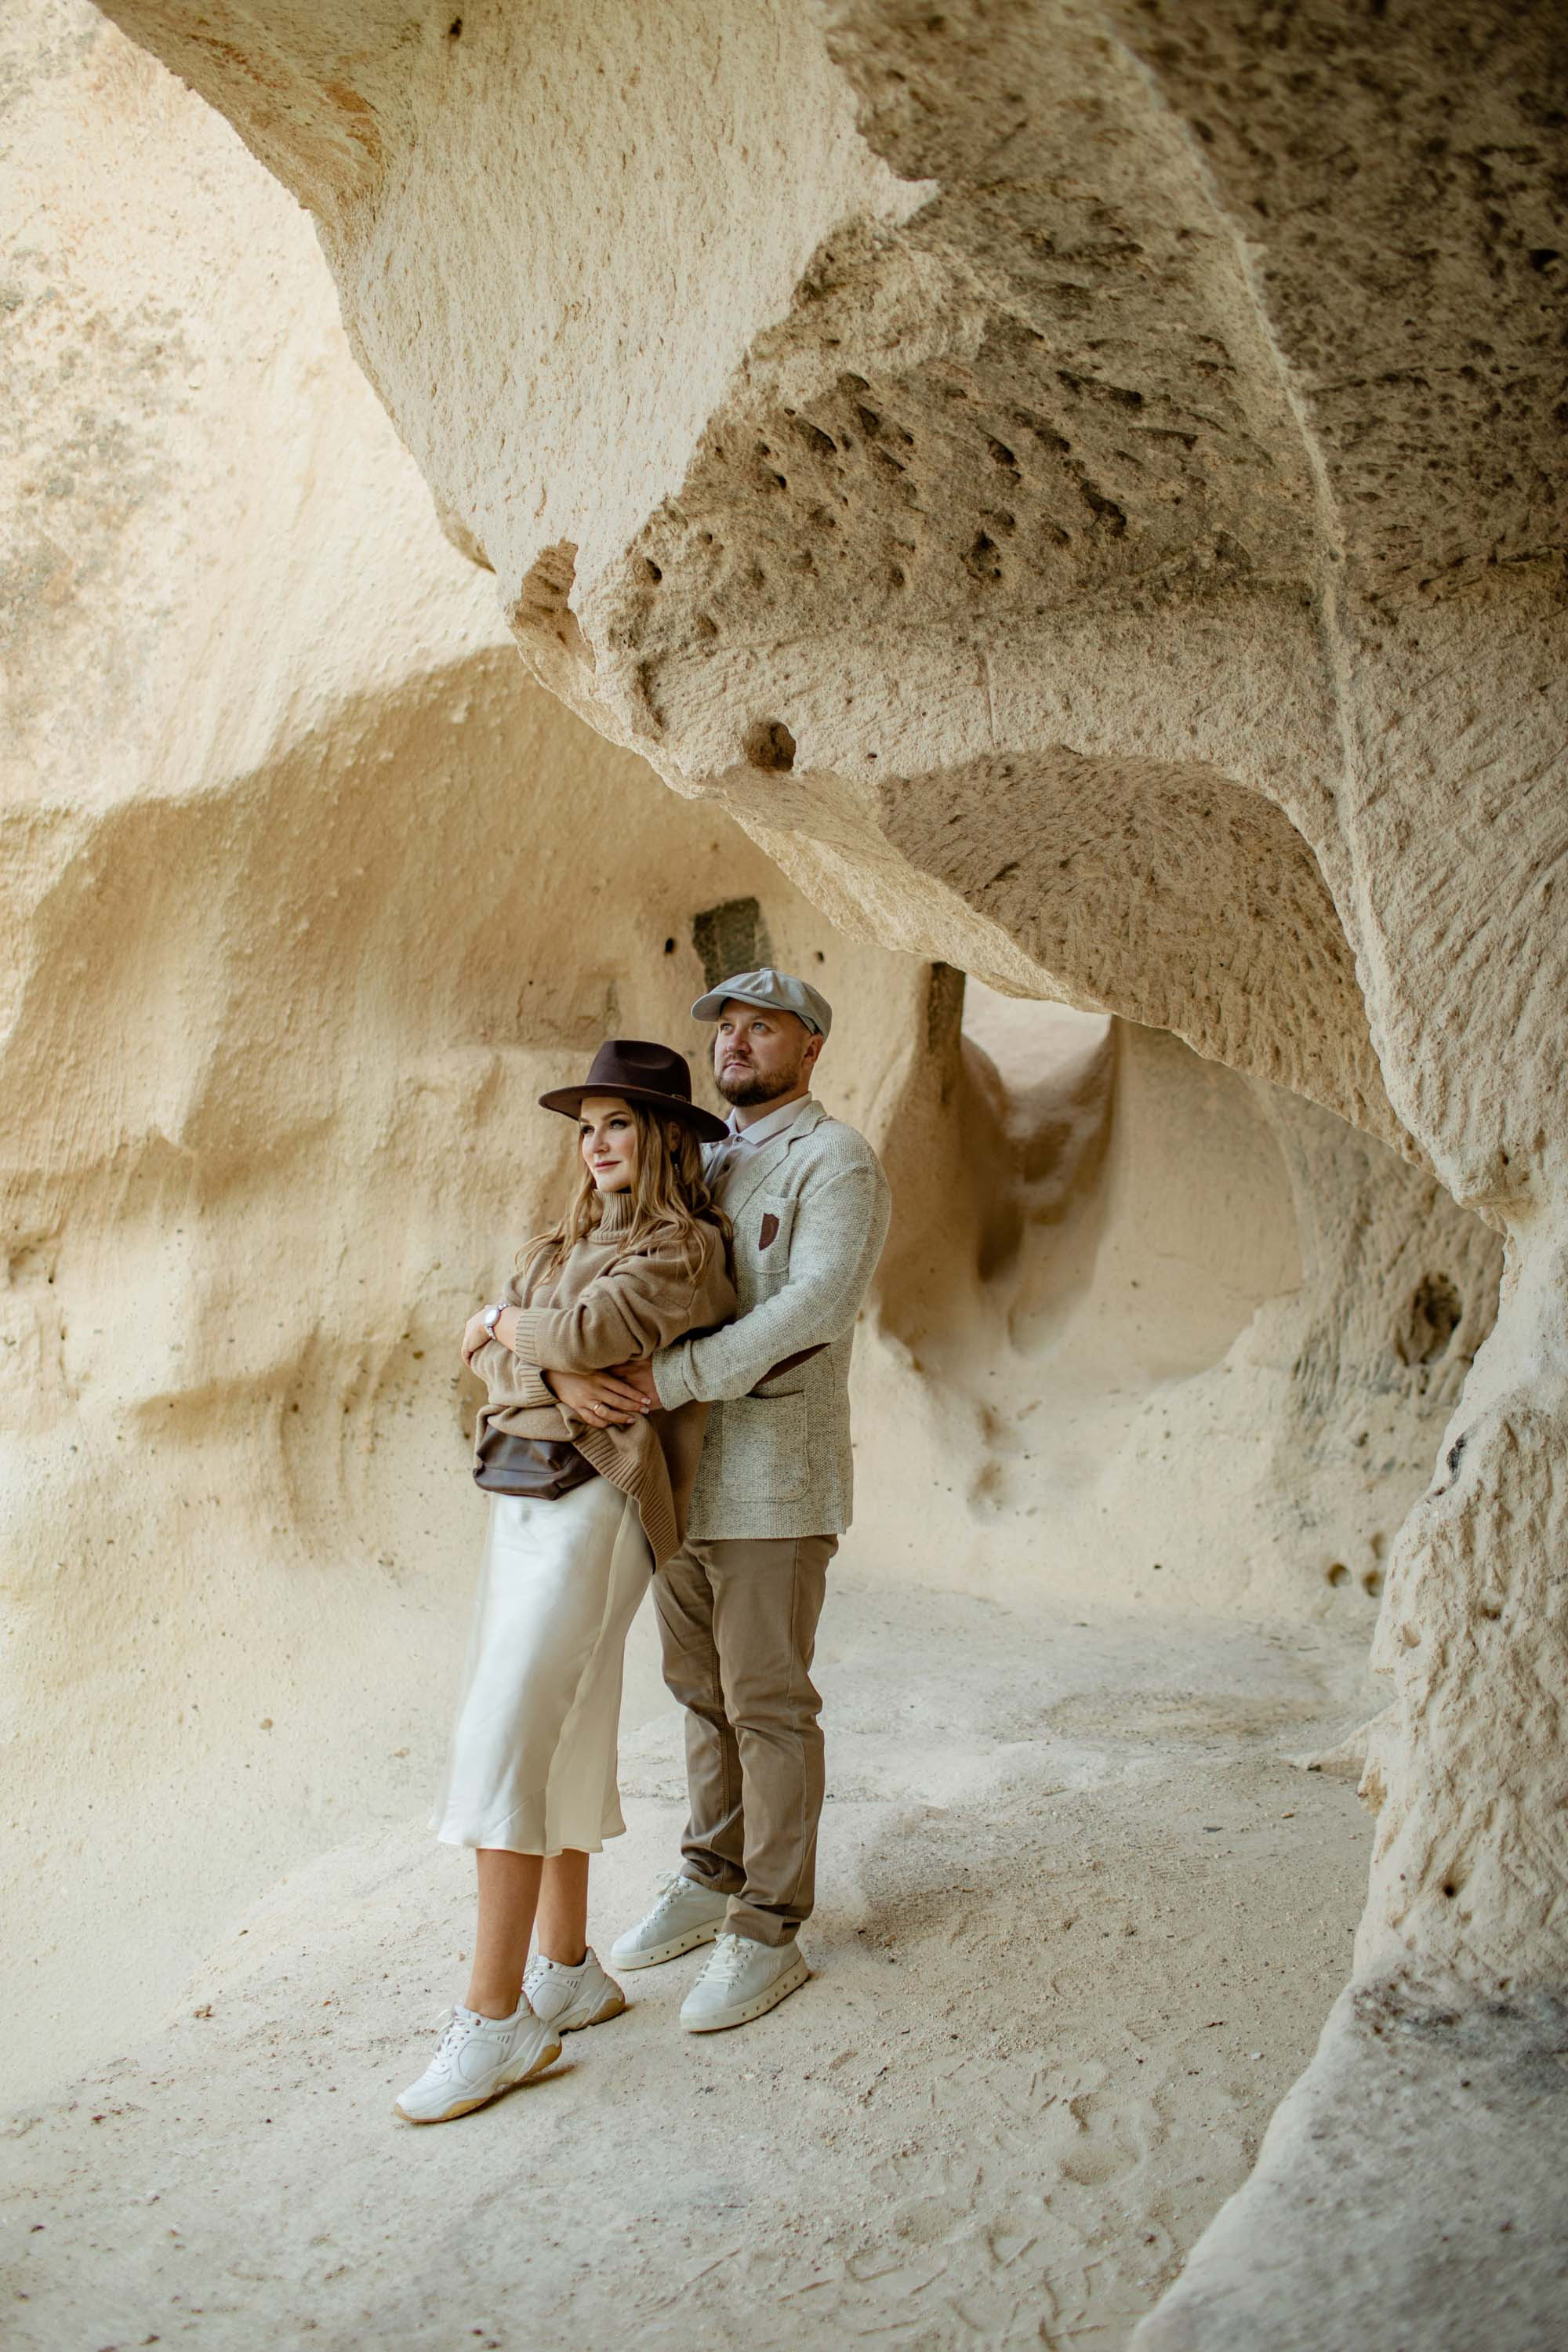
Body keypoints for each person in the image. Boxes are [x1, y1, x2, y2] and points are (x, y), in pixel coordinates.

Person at [396, 1040, 735, 2124]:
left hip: (600, 1503)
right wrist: (533, 1355)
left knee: (507, 1731)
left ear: (667, 1137)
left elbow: (571, 1329)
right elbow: (494, 1356)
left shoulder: (687, 1249)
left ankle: (495, 2023)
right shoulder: (563, 1240)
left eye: (620, 1123)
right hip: (523, 1495)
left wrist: (507, 1330)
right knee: (571, 1721)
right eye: (587, 1124)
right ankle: (568, 1970)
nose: (596, 1142)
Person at [560, 970, 891, 2033]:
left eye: (764, 1029)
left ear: (812, 1048)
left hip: (773, 1479)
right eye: (727, 1029)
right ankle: (711, 1870)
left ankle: (769, 1923)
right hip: (677, 1478)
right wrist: (539, 1346)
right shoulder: (695, 1158)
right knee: (697, 1686)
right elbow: (602, 1259)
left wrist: (675, 1380)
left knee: (767, 1700)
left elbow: (817, 1305)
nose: (739, 1044)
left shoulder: (833, 1159)